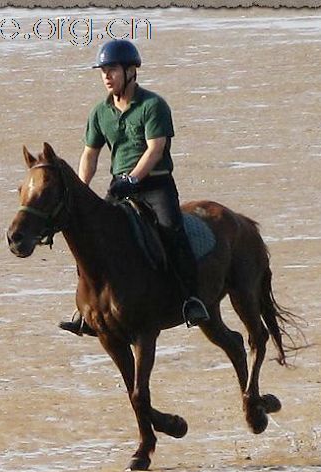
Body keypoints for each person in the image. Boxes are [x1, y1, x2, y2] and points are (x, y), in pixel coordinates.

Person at [59, 39, 210, 337]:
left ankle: (191, 299)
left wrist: (133, 178)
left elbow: (155, 149)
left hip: (155, 185)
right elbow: (90, 153)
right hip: (120, 187)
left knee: (172, 232)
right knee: (90, 236)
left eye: (112, 69)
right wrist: (79, 190)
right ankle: (87, 309)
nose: (106, 76)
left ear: (131, 72)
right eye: (103, 70)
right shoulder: (100, 113)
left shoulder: (153, 105)